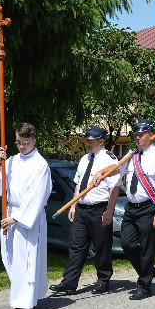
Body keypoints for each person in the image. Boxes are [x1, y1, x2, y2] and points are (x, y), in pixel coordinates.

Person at [95, 119, 155, 300]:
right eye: (136, 135)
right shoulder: (132, 155)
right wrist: (102, 172)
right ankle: (148, 271)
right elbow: (117, 169)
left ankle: (144, 286)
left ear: (150, 135)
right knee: (127, 243)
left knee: (148, 248)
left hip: (149, 208)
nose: (138, 138)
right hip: (131, 208)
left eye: (141, 134)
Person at [0, 123, 52, 309]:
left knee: (26, 260)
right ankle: (23, 299)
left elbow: (37, 196)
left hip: (26, 219)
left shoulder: (40, 165)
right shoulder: (13, 161)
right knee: (12, 259)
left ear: (34, 140)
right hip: (11, 213)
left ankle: (24, 305)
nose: (21, 146)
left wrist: (16, 218)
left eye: (25, 143)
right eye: (18, 142)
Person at [50, 126, 121, 296]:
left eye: (92, 140)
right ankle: (69, 283)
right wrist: (73, 205)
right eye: (87, 140)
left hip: (100, 209)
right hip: (82, 209)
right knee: (76, 247)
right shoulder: (84, 159)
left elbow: (115, 188)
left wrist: (109, 211)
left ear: (101, 141)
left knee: (102, 246)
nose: (88, 143)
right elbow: (78, 184)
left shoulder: (109, 160)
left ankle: (103, 280)